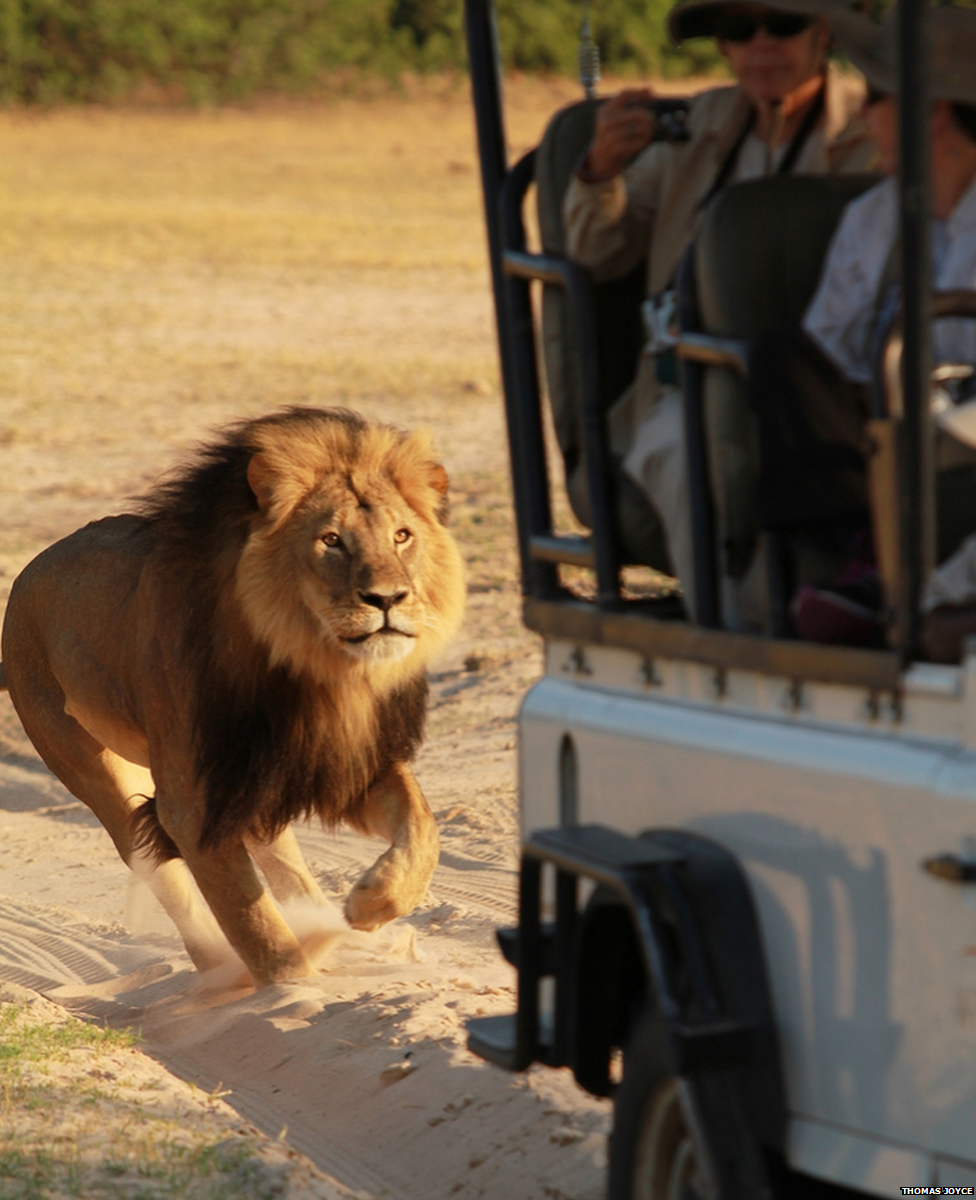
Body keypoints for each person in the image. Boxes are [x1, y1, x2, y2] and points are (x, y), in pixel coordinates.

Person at [563, 0, 876, 603]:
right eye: (739, 29)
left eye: (783, 25)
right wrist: (601, 173)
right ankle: (731, 633)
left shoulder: (874, 132)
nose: (762, 45)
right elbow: (595, 256)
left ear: (824, 33)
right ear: (724, 46)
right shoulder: (695, 128)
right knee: (693, 454)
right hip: (686, 384)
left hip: (828, 386)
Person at [749, 4, 976, 645]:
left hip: (964, 439)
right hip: (887, 436)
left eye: (873, 95)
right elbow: (827, 354)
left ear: (926, 111)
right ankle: (873, 557)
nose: (864, 113)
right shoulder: (871, 218)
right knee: (783, 359)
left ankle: (879, 573)